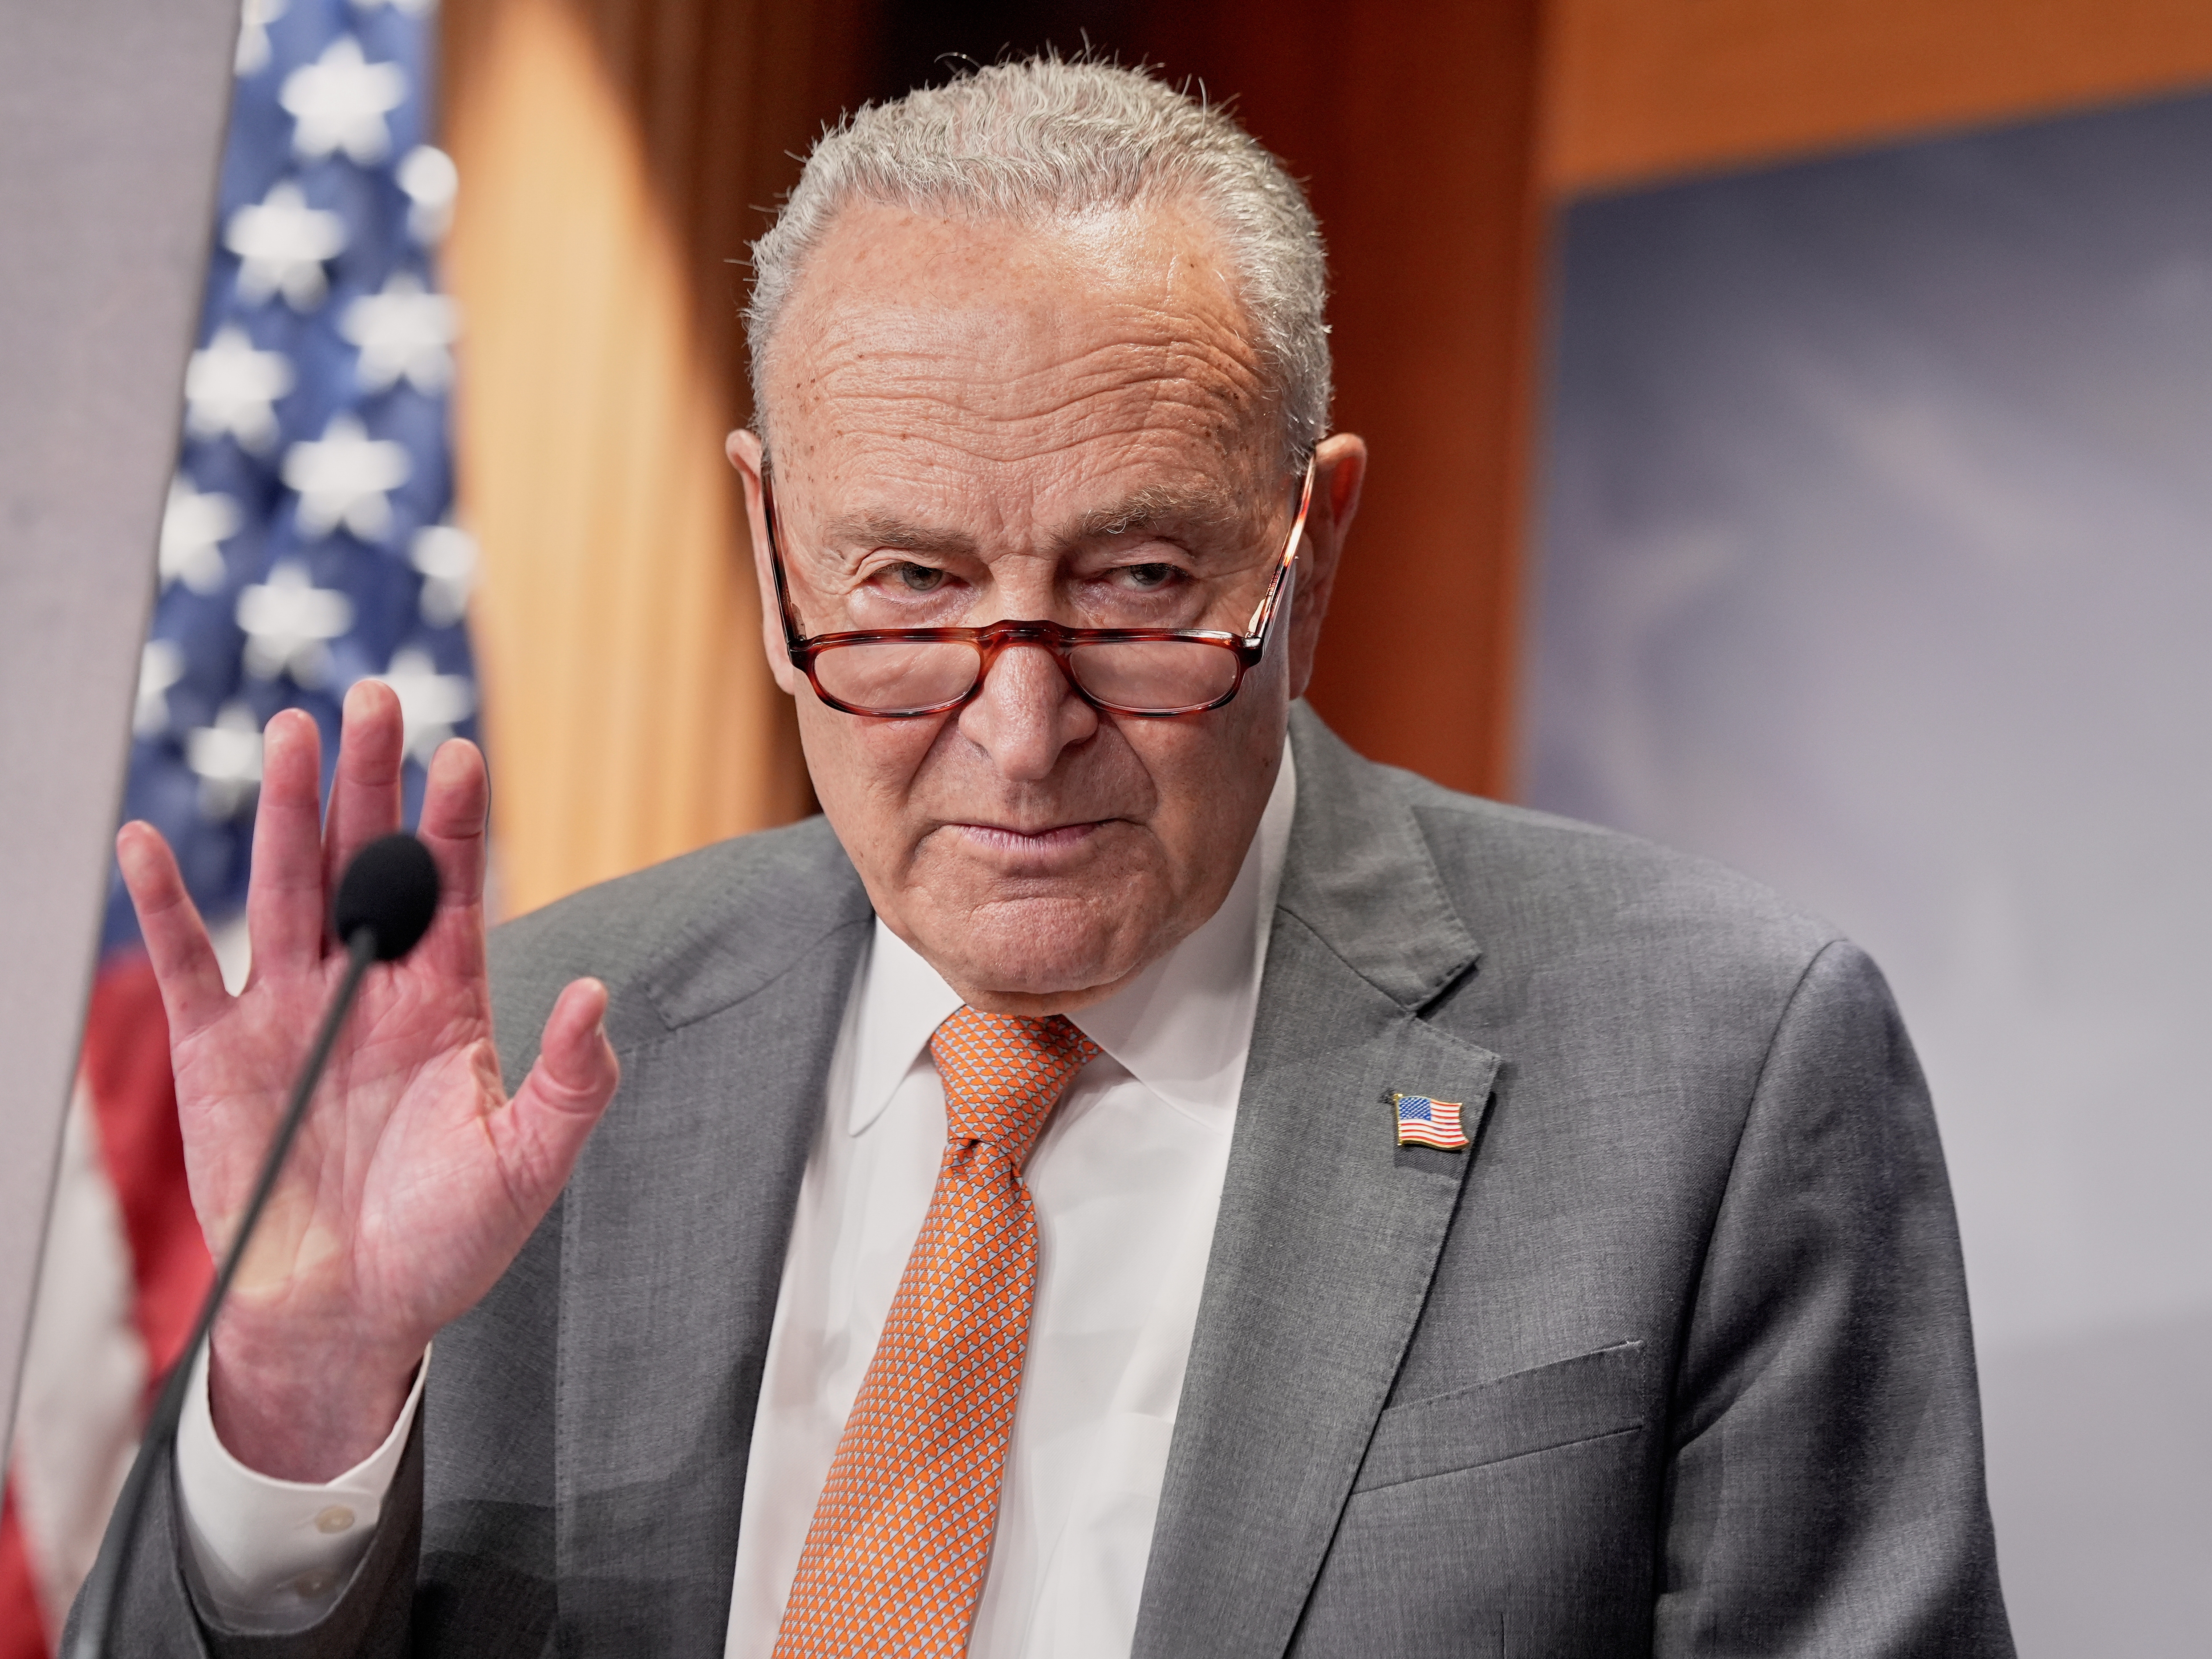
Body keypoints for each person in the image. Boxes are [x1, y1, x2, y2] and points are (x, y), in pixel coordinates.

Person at [81, 57, 2013, 1659]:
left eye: (1139, 583)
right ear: (771, 552)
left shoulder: (1711, 1072)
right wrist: (300, 1410)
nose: (1021, 732)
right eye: (911, 585)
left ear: (1307, 545)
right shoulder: (504, 1077)